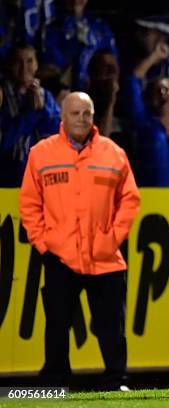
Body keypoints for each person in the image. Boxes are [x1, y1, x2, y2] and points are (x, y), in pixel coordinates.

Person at [19, 92, 140, 390]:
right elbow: (29, 204)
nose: (82, 119)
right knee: (57, 324)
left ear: (94, 115)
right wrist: (44, 244)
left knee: (111, 325)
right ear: (62, 116)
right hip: (59, 254)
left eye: (87, 113)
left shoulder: (113, 153)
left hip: (105, 256)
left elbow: (130, 200)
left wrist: (112, 239)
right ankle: (55, 381)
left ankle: (116, 380)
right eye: (75, 113)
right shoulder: (41, 153)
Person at [0, 42, 61, 186]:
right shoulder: (3, 97)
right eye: (18, 62)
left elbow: (57, 137)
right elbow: (3, 142)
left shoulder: (45, 97)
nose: (24, 68)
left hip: (38, 182)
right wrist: (31, 114)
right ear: (9, 65)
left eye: (29, 61)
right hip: (7, 182)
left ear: (37, 65)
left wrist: (42, 110)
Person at [40, 0, 117, 90]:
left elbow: (113, 61)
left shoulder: (100, 26)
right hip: (65, 91)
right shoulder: (52, 28)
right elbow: (52, 66)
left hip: (97, 92)